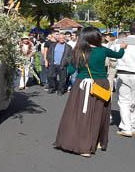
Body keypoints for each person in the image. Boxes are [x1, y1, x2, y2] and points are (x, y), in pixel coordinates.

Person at [54, 27, 127, 157]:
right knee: (98, 113)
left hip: (81, 85)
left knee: (79, 115)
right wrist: (122, 47)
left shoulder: (78, 51)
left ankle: (79, 144)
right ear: (96, 37)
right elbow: (118, 55)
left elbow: (70, 70)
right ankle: (95, 141)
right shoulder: (102, 50)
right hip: (100, 84)